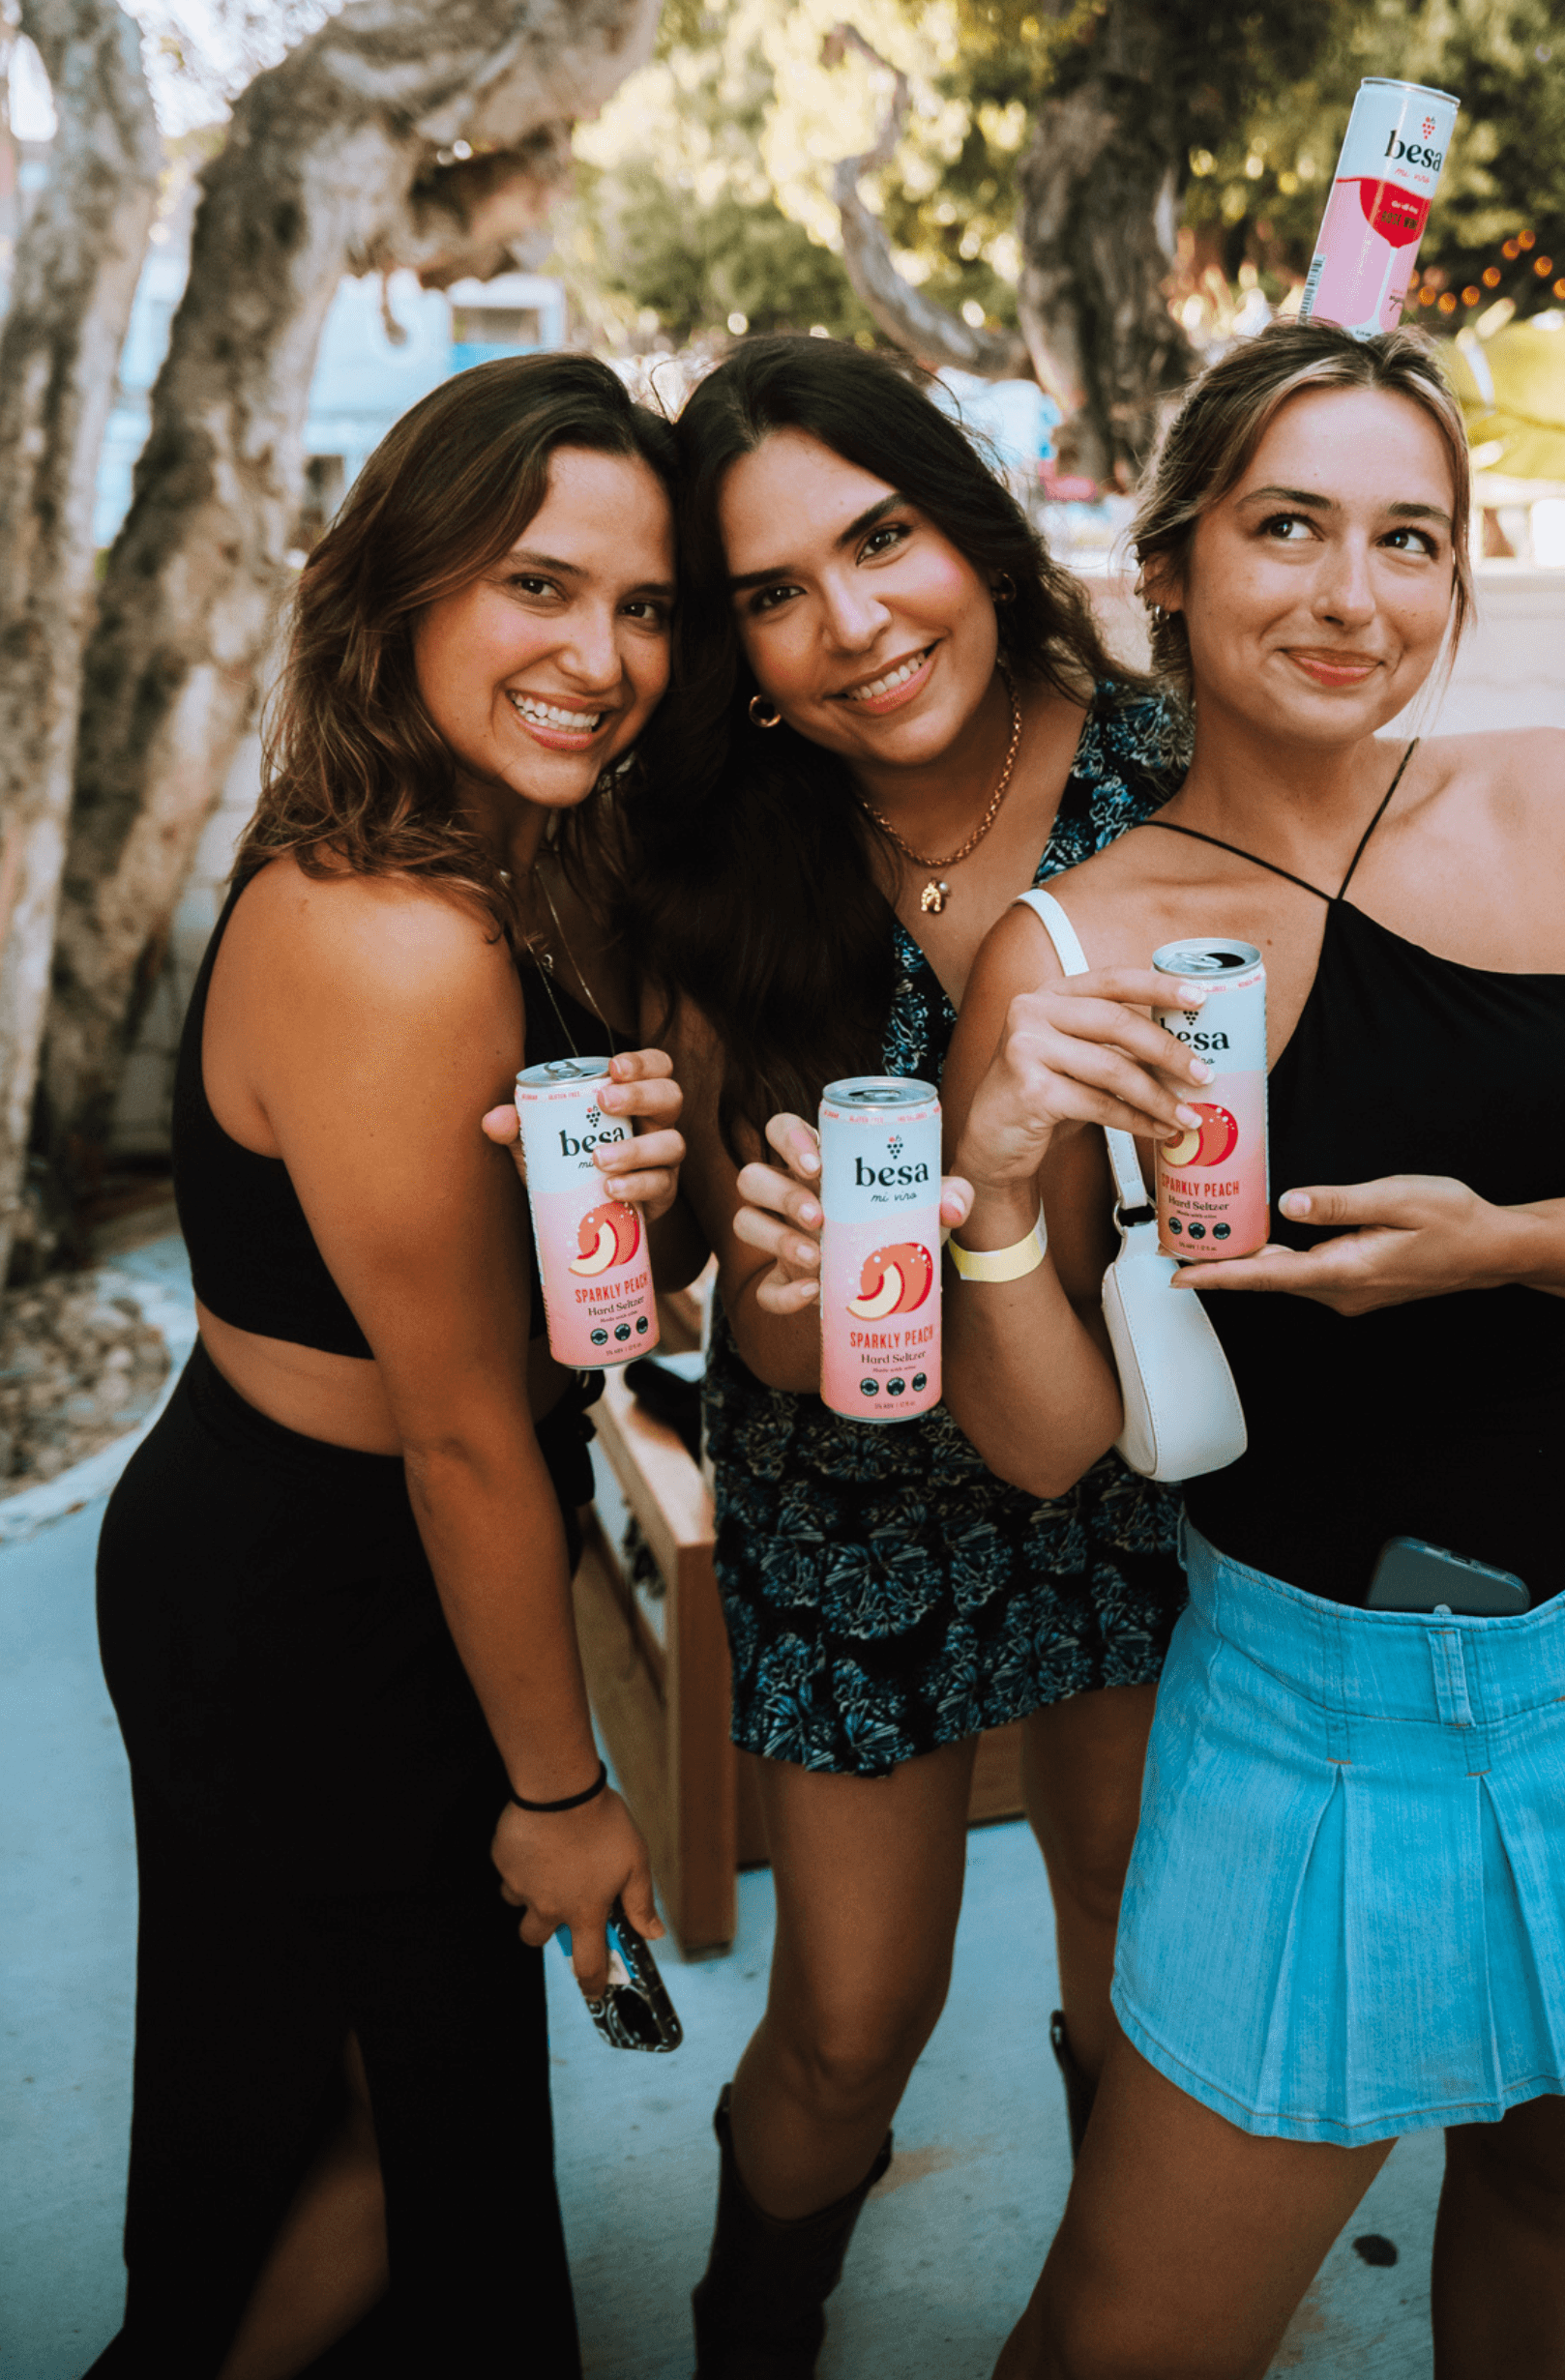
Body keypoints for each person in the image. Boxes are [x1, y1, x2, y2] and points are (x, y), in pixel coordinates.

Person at [931, 320, 1565, 2380]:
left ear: (1457, 576)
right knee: (1123, 2333)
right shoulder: (1072, 942)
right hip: (1318, 1716)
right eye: (1286, 527)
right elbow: (1042, 1449)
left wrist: (1498, 1248)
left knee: (1549, 2182)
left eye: (1408, 538)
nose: (1351, 596)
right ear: (1168, 562)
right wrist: (993, 1186)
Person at [89, 357, 691, 2379]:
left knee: (371, 2090)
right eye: (539, 584)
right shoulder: (396, 935)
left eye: (647, 606)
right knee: (372, 2117)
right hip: (319, 1587)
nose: (598, 656)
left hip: (357, 1548)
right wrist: (562, 1786)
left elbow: (548, 1329)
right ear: (408, 584)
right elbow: (455, 1421)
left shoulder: (483, 848)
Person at [609, 335, 1190, 2378]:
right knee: (852, 2019)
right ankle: (750, 2325)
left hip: (1163, 1477)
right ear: (734, 646)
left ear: (971, 522)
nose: (851, 624)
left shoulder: (1172, 768)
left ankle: (1121, 2326)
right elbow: (724, 1301)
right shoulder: (714, 852)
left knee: (1147, 1966)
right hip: (851, 1503)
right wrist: (753, 1271)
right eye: (772, 588)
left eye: (884, 537)